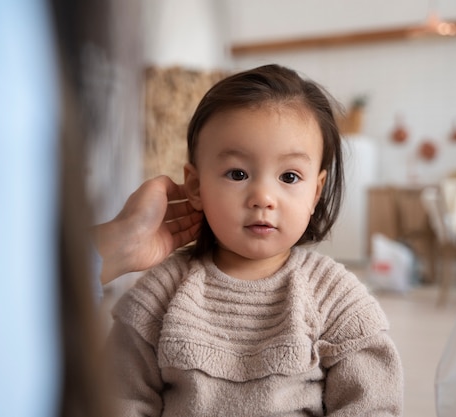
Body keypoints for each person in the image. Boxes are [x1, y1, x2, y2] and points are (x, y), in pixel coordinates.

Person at [108, 64, 404, 416]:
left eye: (290, 176)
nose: (263, 197)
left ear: (316, 192)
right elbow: (118, 399)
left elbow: (372, 404)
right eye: (238, 173)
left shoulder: (334, 296)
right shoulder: (160, 295)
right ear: (196, 186)